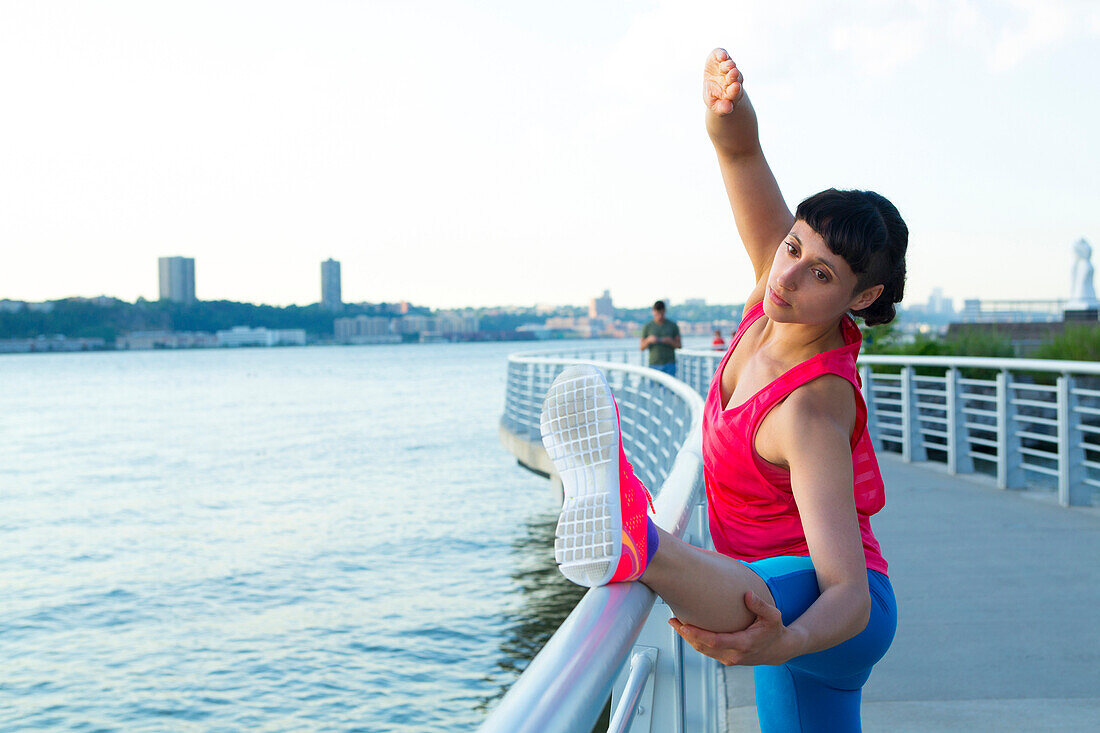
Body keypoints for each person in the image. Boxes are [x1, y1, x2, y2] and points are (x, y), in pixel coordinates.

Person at [540, 47, 906, 732]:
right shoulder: (771, 296)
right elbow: (743, 161)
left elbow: (847, 593)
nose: (789, 277)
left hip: (824, 611)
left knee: (756, 594)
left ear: (863, 295)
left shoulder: (811, 407)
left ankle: (634, 537)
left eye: (821, 274)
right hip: (767, 590)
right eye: (793, 247)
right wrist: (725, 112)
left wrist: (787, 641)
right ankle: (626, 524)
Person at [639, 300, 681, 375]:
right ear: (653, 312)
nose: (659, 316)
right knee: (653, 386)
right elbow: (641, 347)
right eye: (657, 314)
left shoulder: (672, 325)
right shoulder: (648, 326)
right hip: (654, 364)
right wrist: (648, 340)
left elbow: (679, 346)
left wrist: (670, 341)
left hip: (670, 364)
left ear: (664, 311)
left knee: (669, 386)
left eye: (661, 314)